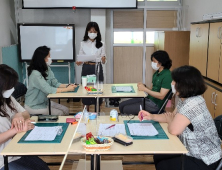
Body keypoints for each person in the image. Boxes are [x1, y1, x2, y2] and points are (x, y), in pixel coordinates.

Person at [138, 65, 222, 170]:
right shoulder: (186, 99)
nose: (172, 83)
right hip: (191, 152)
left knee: (163, 162)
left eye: (175, 81)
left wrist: (170, 120)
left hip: (204, 160)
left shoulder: (192, 104)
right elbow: (171, 116)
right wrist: (151, 116)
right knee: (160, 155)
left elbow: (173, 130)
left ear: (185, 84)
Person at [0, 64, 49, 170]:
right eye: (9, 86)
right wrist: (16, 129)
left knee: (44, 168)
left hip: (16, 151)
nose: (12, 89)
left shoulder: (6, 98)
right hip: (2, 160)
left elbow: (26, 114)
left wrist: (17, 116)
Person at [25, 46, 76, 116]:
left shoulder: (47, 68)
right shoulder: (35, 74)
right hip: (33, 106)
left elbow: (55, 83)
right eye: (49, 56)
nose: (50, 58)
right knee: (60, 113)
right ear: (43, 58)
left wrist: (68, 86)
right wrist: (67, 89)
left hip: (44, 102)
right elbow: (48, 89)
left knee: (66, 110)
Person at [119, 50, 172, 115]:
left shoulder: (167, 75)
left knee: (125, 109)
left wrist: (145, 89)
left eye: (154, 61)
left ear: (161, 62)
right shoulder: (156, 73)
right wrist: (144, 87)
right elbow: (153, 90)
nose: (152, 63)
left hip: (155, 105)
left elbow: (161, 96)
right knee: (121, 105)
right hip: (148, 99)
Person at [76, 21, 106, 111]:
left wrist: (104, 59)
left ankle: (97, 113)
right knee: (86, 91)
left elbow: (104, 60)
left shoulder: (101, 43)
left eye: (94, 31)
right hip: (87, 68)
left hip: (97, 68)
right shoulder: (83, 43)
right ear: (87, 32)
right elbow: (80, 59)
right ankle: (86, 113)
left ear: (97, 32)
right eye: (90, 31)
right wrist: (79, 62)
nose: (92, 33)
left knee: (98, 91)